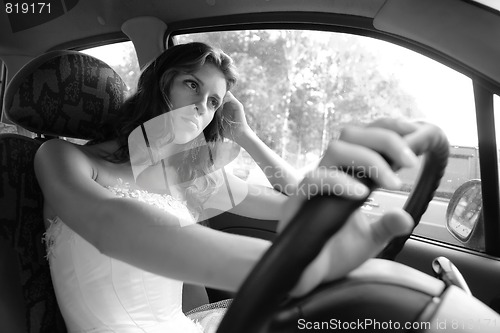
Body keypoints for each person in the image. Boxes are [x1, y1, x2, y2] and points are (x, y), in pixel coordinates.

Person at [34, 42, 419, 332]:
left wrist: (246, 135)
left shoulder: (188, 176)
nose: (202, 105)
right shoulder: (63, 158)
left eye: (214, 101)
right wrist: (287, 270)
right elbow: (110, 226)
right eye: (191, 85)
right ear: (158, 84)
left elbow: (295, 200)